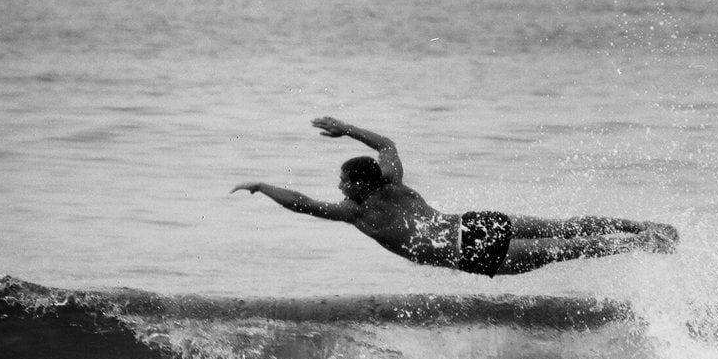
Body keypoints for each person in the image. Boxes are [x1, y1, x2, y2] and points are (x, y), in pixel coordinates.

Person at [232, 117, 679, 277]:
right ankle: (642, 227)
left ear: (356, 187)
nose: (338, 187)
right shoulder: (394, 182)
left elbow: (302, 203)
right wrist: (346, 128)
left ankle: (643, 243)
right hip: (473, 223)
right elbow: (386, 143)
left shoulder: (356, 213)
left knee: (565, 249)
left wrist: (261, 186)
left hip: (468, 251)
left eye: (342, 181)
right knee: (564, 228)